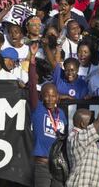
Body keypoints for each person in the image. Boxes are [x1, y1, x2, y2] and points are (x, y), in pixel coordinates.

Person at [29, 42, 67, 187]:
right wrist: (32, 60)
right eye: (46, 96)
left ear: (58, 97)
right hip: (42, 164)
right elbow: (32, 86)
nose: (50, 99)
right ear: (41, 97)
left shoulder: (61, 114)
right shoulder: (38, 108)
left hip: (58, 165)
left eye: (53, 96)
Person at [66, 81, 99, 186]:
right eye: (92, 121)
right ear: (83, 124)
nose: (94, 124)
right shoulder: (77, 137)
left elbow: (96, 176)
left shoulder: (89, 143)